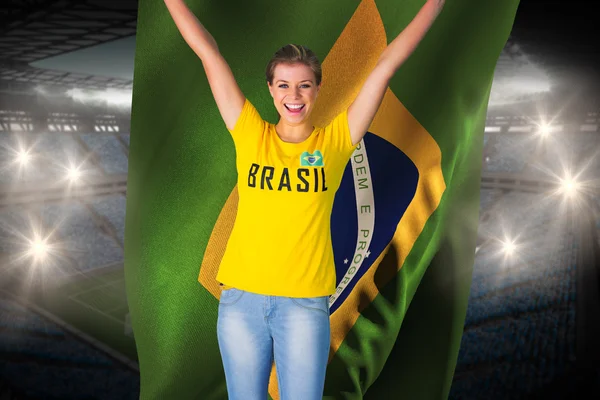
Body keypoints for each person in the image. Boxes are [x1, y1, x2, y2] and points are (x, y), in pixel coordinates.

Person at [164, 0, 445, 399]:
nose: (293, 95)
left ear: (317, 88)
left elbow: (384, 67)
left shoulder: (335, 142)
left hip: (304, 309)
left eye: (303, 85)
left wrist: (434, 6)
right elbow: (208, 52)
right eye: (283, 85)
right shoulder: (250, 135)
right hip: (241, 305)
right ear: (270, 89)